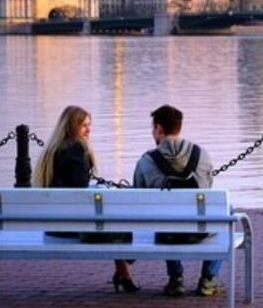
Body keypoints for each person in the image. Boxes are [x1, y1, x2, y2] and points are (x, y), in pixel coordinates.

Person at [33, 105, 139, 293]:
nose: (89, 130)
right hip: (71, 227)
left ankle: (123, 273)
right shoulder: (76, 150)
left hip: (53, 225)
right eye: (83, 126)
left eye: (89, 125)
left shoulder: (53, 150)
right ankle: (127, 257)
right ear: (71, 127)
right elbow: (82, 192)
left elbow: (73, 190)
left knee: (111, 222)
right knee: (119, 226)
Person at [133, 104, 221, 297]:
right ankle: (208, 279)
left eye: (153, 129)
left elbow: (137, 198)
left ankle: (176, 279)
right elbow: (208, 187)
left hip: (166, 233)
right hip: (199, 230)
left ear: (158, 129)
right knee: (223, 220)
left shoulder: (146, 161)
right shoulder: (202, 155)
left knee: (166, 218)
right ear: (179, 127)